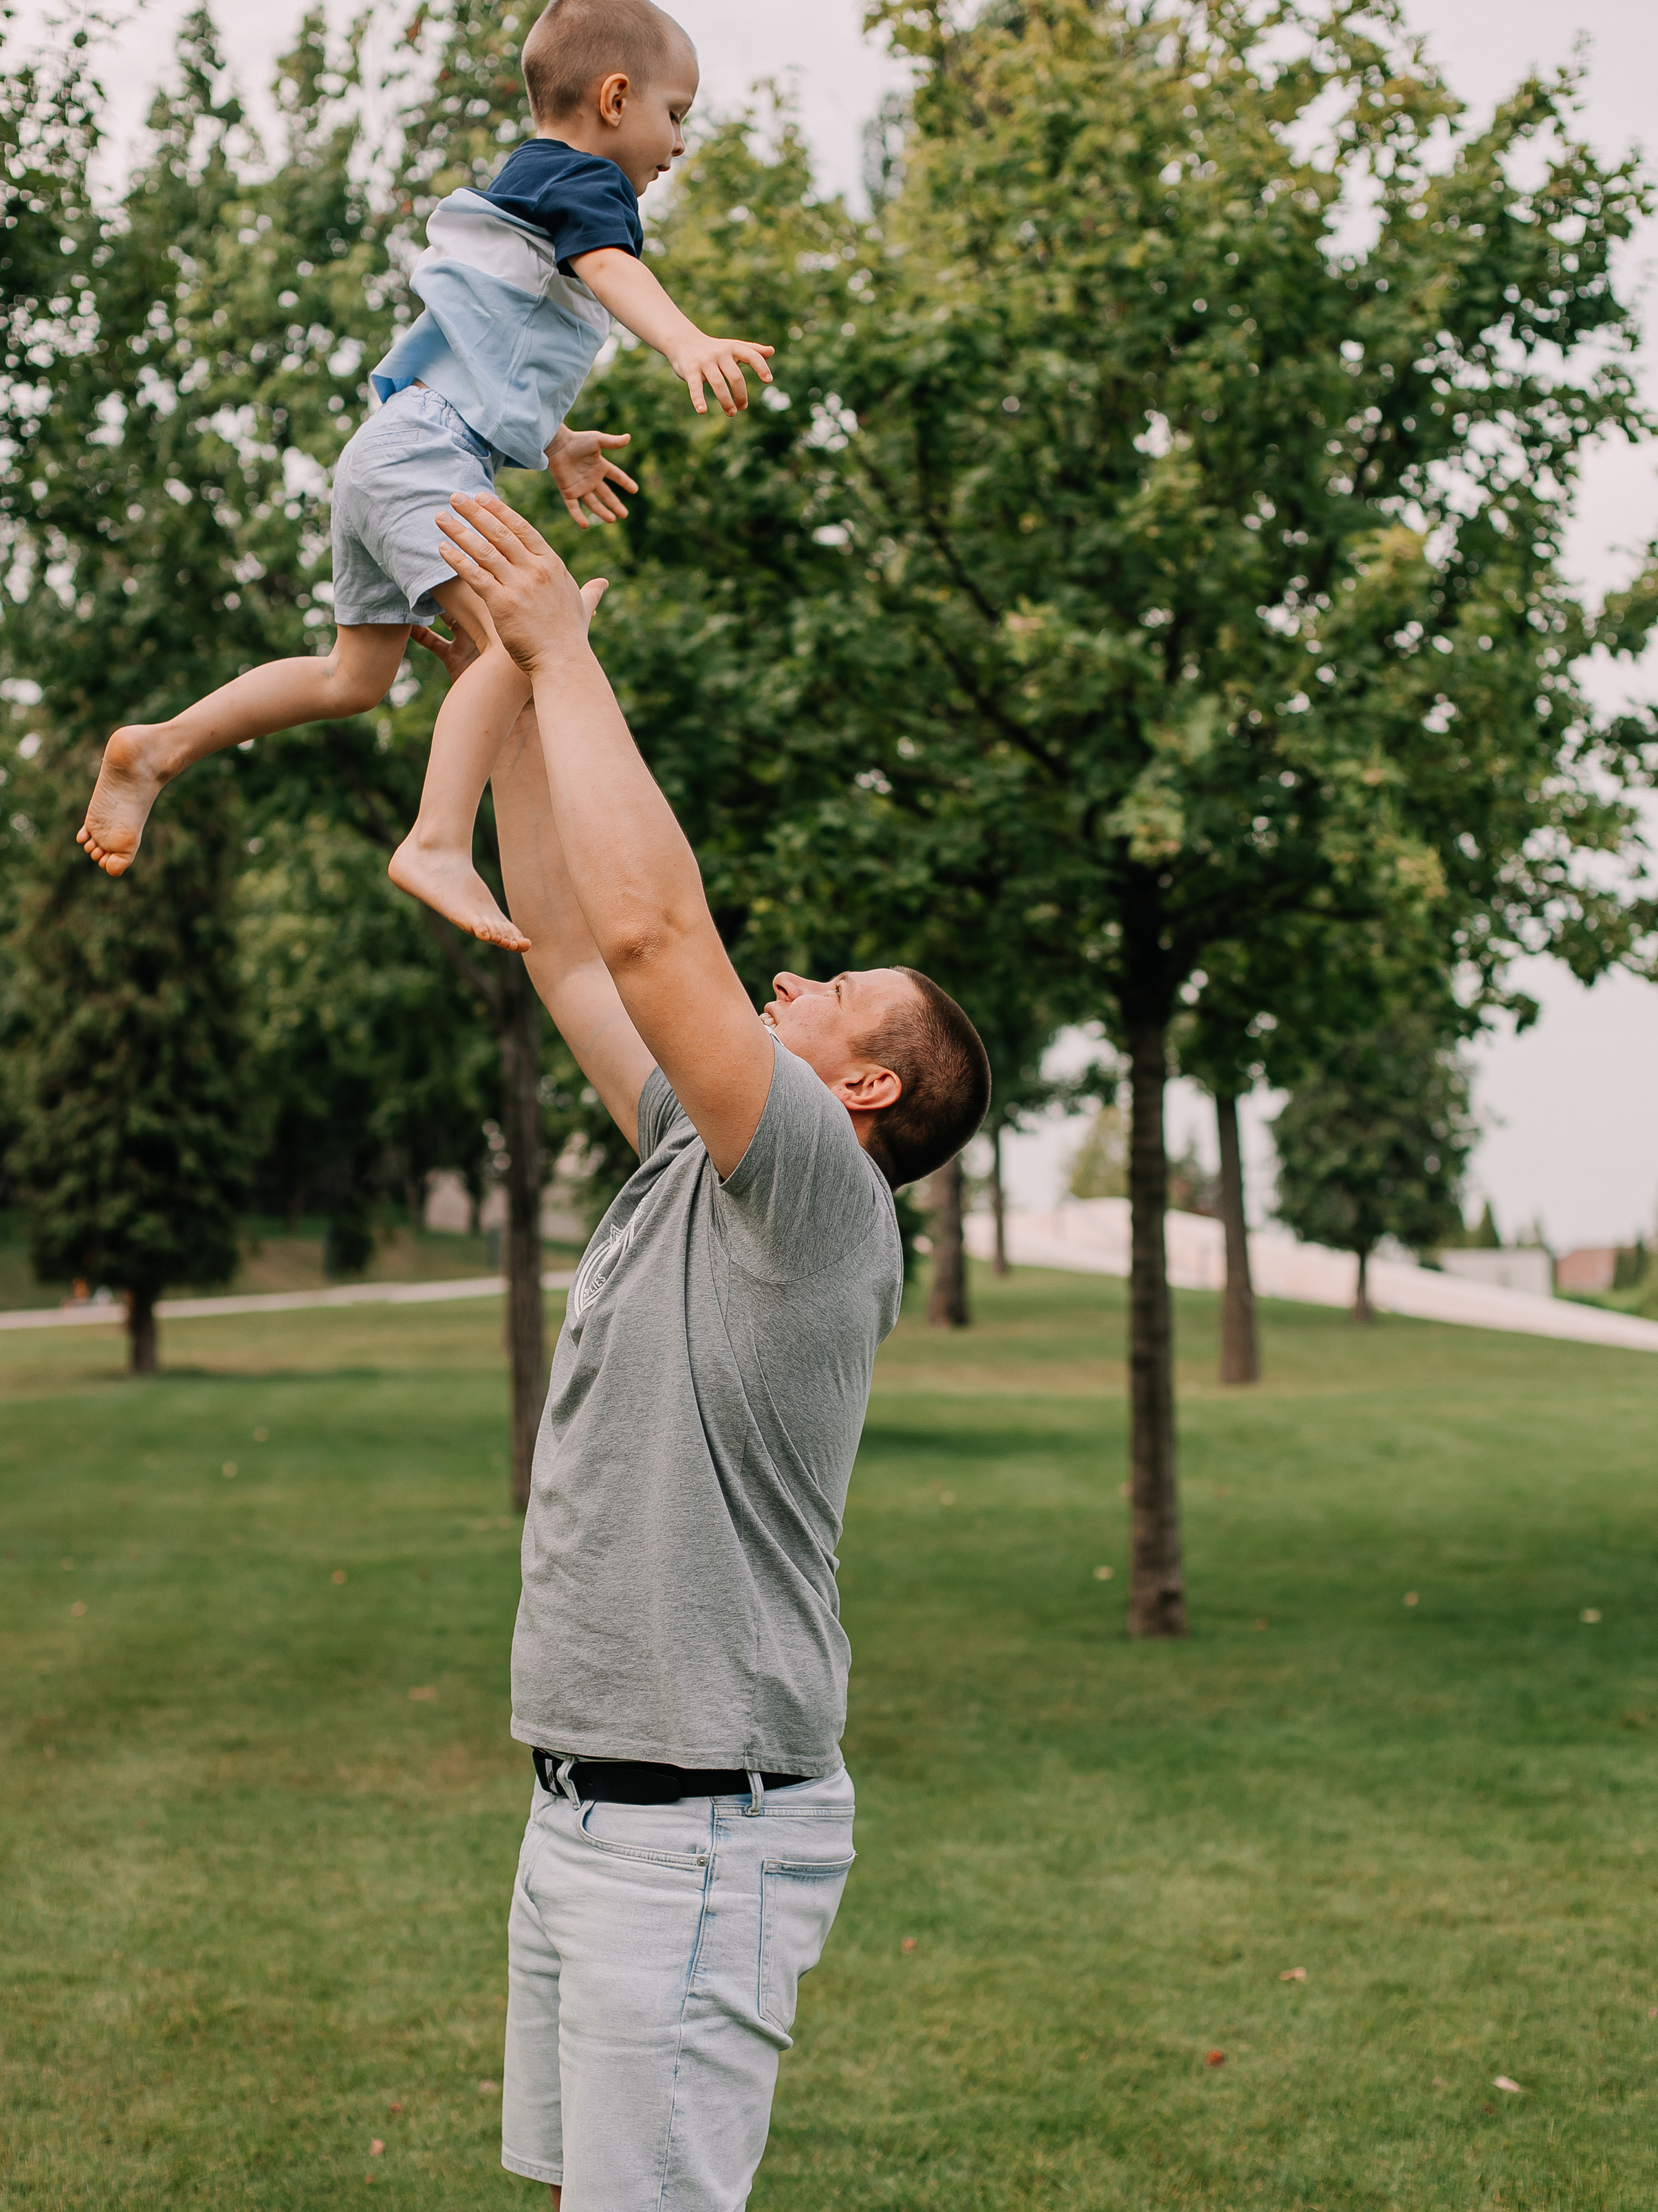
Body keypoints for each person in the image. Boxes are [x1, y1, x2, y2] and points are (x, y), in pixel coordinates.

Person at [422, 489, 990, 2212]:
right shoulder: (701, 1149)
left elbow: (666, 941)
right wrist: (518, 686)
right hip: (594, 1813)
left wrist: (575, 649)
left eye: (829, 993)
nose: (790, 977)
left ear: (864, 1091)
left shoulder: (816, 1188)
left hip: (692, 1838)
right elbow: (581, 948)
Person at [73, 0, 774, 943]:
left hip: (398, 447)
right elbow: (615, 274)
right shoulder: (590, 184)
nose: (679, 145)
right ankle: (438, 840)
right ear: (616, 100)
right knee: (529, 634)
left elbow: (489, 346)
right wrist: (685, 340)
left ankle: (159, 748)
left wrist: (556, 443)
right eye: (676, 116)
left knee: (353, 679)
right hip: (426, 452)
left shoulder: (533, 188)